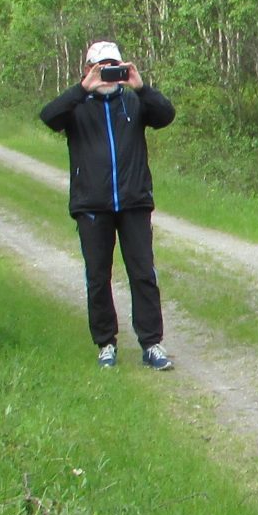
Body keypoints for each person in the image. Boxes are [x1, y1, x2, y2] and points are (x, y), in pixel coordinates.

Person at [39, 40, 176, 370]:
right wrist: (82, 88)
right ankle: (106, 344)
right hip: (91, 205)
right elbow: (48, 116)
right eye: (101, 67)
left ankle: (151, 344)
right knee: (98, 277)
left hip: (133, 202)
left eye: (114, 66)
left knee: (143, 273)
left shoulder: (134, 102)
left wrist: (141, 87)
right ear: (88, 69)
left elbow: (166, 115)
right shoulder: (77, 106)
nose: (108, 74)